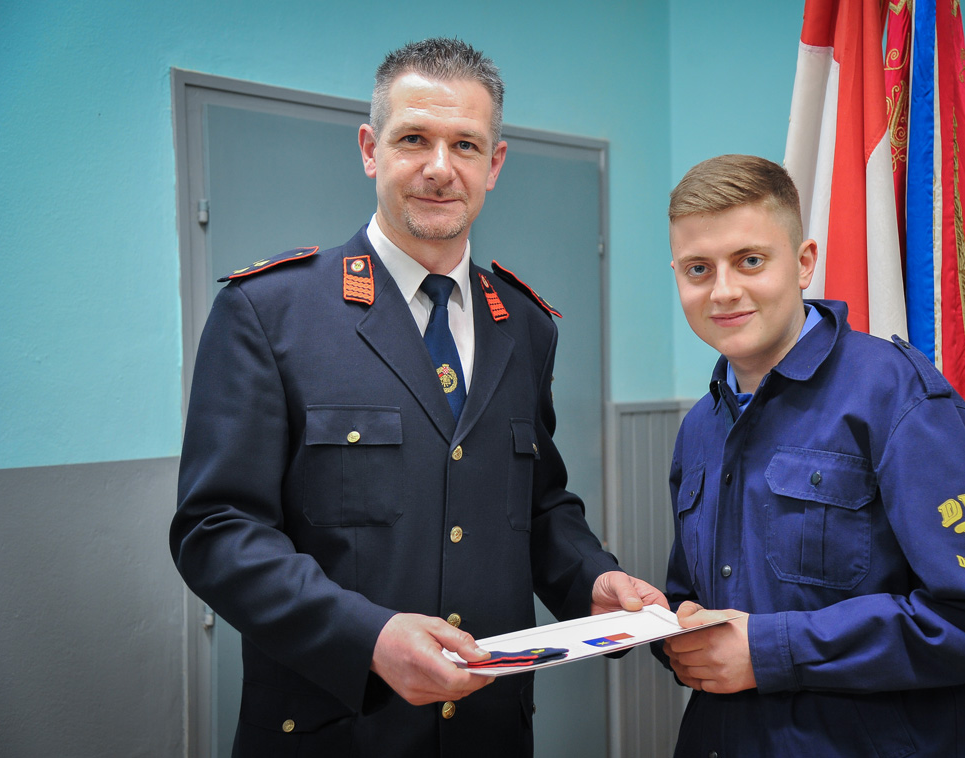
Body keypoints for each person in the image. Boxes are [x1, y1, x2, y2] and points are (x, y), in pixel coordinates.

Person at [170, 38, 663, 756]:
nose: (440, 167)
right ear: (371, 150)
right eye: (413, 139)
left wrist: (594, 580)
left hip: (490, 728)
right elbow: (216, 530)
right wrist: (365, 637)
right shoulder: (271, 314)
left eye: (465, 144)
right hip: (340, 730)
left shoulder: (525, 326)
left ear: (494, 164)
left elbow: (538, 505)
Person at [657, 154, 965, 757]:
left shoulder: (894, 396)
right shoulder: (700, 428)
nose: (724, 290)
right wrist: (668, 626)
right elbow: (699, 600)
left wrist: (771, 651)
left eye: (751, 260)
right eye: (698, 269)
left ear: (804, 262)